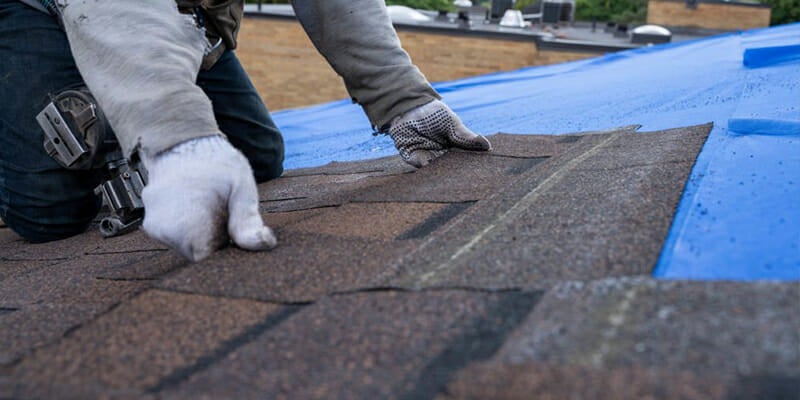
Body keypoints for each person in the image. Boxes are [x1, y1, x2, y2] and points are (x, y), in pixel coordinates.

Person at [0, 0, 492, 261]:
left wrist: (403, 102)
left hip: (183, 14)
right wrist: (177, 142)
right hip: (40, 10)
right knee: (48, 217)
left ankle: (103, 94)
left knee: (257, 157)